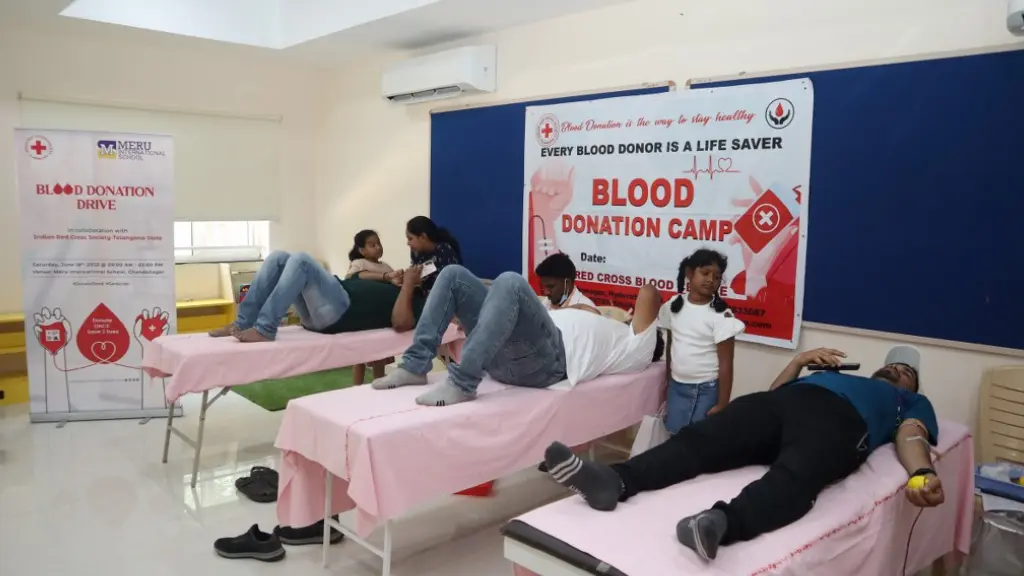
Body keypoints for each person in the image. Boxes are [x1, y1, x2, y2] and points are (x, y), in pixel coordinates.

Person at [542, 345, 943, 562]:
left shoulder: (907, 401)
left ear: (912, 386)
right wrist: (799, 361)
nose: (897, 371)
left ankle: (720, 523)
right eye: (893, 367)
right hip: (785, 401)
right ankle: (615, 480)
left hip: (841, 420)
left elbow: (912, 435)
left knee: (798, 474)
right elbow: (775, 392)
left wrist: (921, 473)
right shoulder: (832, 375)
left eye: (906, 372)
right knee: (702, 438)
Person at [371, 265, 665, 407]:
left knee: (510, 281)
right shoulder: (600, 323)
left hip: (548, 364)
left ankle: (463, 383)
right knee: (452, 275)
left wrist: (626, 321)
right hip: (506, 355)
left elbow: (649, 293)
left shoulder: (638, 347)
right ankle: (415, 365)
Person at [209, 246, 424, 343]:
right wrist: (389, 277)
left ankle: (265, 328)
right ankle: (242, 323)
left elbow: (401, 323)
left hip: (342, 311)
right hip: (324, 310)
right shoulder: (398, 286)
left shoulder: (419, 300)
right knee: (278, 257)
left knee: (301, 260)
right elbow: (356, 276)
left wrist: (408, 287)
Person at [660, 249, 745, 433]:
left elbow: (726, 362)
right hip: (677, 386)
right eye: (705, 273)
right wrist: (668, 379)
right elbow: (671, 346)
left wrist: (723, 404)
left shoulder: (721, 316)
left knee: (699, 440)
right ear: (690, 273)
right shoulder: (674, 305)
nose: (711, 280)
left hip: (706, 390)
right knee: (674, 436)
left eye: (717, 277)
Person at [345, 230, 402, 383]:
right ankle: (357, 388)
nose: (378, 247)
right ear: (361, 250)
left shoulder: (386, 267)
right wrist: (386, 277)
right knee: (359, 357)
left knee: (380, 355)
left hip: (381, 317)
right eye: (372, 245)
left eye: (379, 244)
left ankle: (379, 385)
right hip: (363, 318)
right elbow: (352, 279)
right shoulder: (359, 264)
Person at [405, 216, 462, 294]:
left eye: (410, 238)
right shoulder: (416, 252)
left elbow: (448, 287)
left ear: (423, 237)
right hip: (423, 294)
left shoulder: (445, 252)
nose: (408, 243)